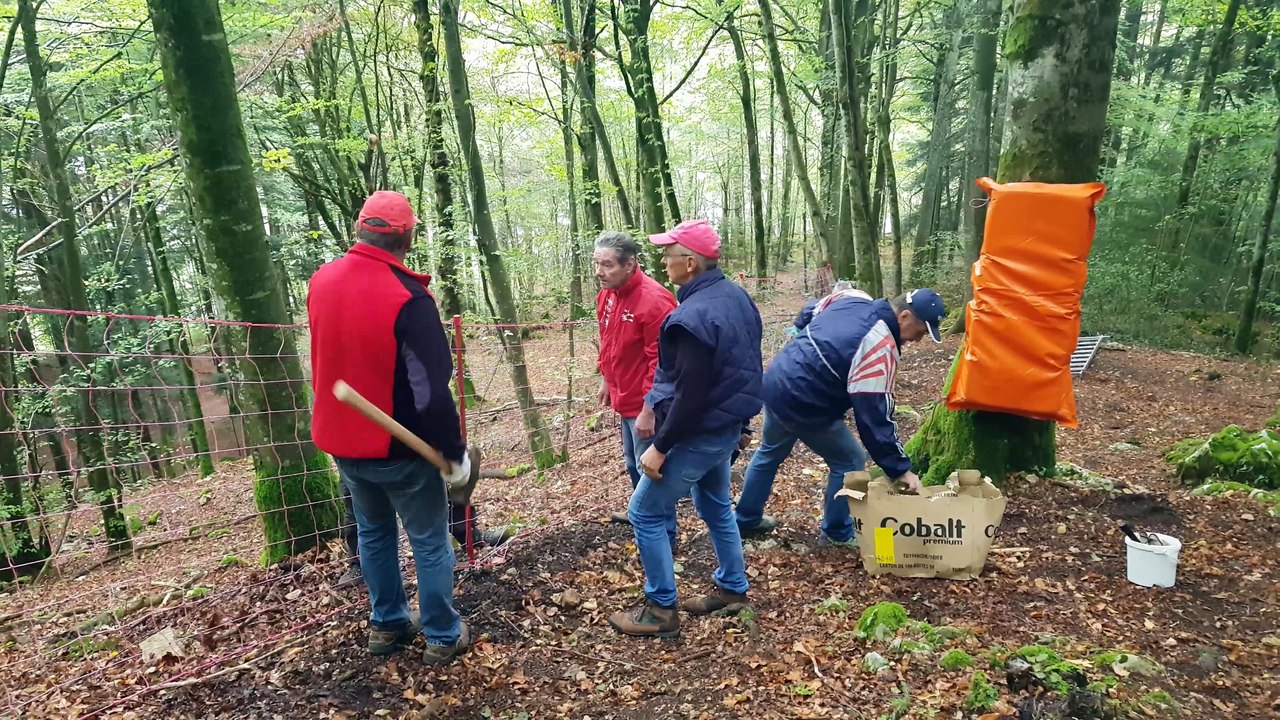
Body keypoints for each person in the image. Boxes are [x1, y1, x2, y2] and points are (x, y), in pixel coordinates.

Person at [307, 190, 470, 665]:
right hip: (401, 449)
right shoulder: (409, 298)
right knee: (429, 539)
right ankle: (442, 634)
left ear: (361, 230)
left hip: (344, 444)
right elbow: (431, 392)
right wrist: (453, 454)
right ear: (408, 237)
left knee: (374, 533)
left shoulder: (321, 281)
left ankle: (388, 623)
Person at [608, 219, 763, 639]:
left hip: (699, 433)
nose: (663, 261)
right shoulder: (737, 297)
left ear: (690, 263)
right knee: (715, 506)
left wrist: (660, 446)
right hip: (724, 429)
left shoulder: (690, 318)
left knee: (644, 511)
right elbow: (745, 367)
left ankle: (660, 609)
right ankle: (733, 589)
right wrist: (742, 423)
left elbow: (690, 394)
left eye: (669, 254)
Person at [734, 286, 945, 547]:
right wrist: (899, 468)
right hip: (806, 402)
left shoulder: (854, 298)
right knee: (850, 459)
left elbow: (810, 309)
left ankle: (745, 518)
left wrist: (803, 346)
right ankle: (836, 532)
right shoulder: (880, 347)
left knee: (769, 451)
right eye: (921, 331)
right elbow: (873, 415)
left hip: (778, 381)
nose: (917, 340)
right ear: (904, 317)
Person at [593, 231, 677, 523]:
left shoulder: (655, 301)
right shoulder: (606, 296)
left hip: (646, 405)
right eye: (597, 264)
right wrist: (606, 377)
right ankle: (642, 517)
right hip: (624, 396)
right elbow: (608, 340)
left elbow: (663, 362)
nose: (599, 272)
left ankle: (661, 532)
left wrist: (649, 410)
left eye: (607, 265)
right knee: (633, 464)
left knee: (650, 469)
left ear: (629, 265)